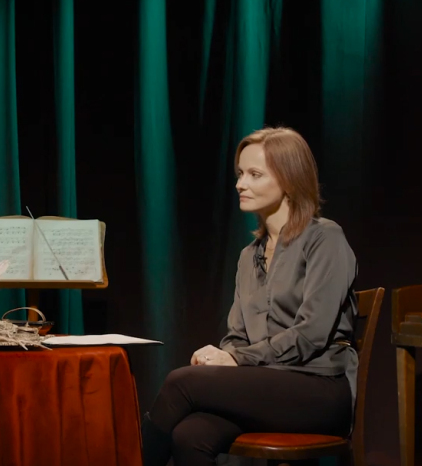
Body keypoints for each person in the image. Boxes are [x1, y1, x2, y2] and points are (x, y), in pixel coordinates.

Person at [141, 127, 358, 465]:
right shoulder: (248, 256)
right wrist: (224, 355)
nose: (240, 184)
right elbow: (237, 335)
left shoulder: (324, 238)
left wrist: (236, 359)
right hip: (266, 386)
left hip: (320, 387)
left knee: (182, 383)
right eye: (240, 174)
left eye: (255, 174)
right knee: (190, 435)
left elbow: (312, 333)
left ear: (289, 179)